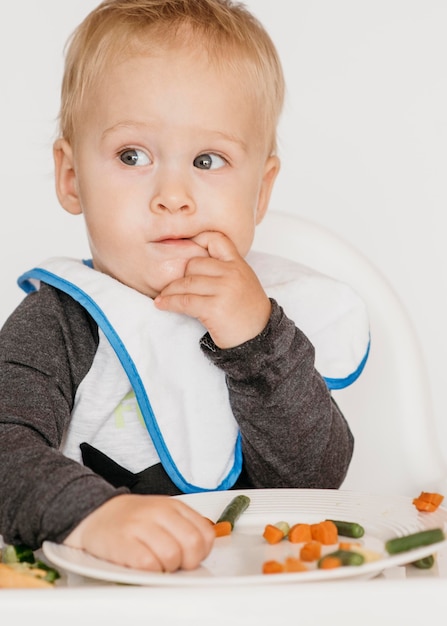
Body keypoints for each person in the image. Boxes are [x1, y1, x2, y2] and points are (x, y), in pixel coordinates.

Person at [0, 0, 369, 573]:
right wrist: (91, 516)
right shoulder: (58, 323)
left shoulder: (269, 318)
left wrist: (257, 343)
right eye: (132, 155)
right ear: (71, 178)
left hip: (251, 591)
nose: (173, 195)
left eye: (207, 159)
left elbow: (315, 482)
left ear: (261, 190)